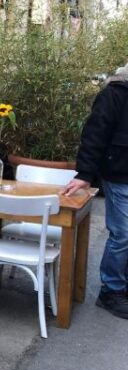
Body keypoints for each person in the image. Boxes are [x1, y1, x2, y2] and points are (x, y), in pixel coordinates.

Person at [63, 65, 128, 319]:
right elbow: (94, 135)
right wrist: (85, 175)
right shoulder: (115, 93)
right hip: (119, 174)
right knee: (123, 234)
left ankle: (122, 286)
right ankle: (110, 291)